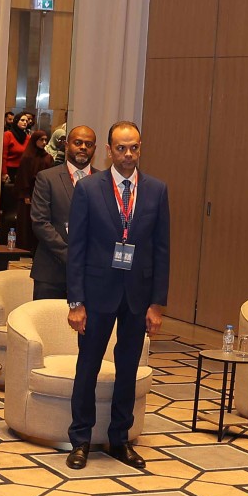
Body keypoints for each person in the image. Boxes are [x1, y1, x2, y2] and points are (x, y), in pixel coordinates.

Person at [64, 121, 170, 471]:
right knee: (88, 366)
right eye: (121, 148)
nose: (128, 154)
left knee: (128, 368)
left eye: (134, 147)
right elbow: (76, 249)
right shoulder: (88, 189)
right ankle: (80, 439)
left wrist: (157, 303)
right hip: (96, 293)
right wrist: (76, 302)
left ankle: (120, 439)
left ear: (140, 148)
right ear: (109, 150)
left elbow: (162, 250)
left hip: (137, 295)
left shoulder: (156, 190)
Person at [30, 125, 96, 300]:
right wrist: (71, 255)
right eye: (78, 143)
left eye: (89, 144)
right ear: (67, 146)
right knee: (46, 318)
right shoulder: (46, 178)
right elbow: (40, 222)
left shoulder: (104, 181)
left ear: (94, 149)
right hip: (51, 271)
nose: (83, 147)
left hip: (91, 272)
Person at [10, 128, 54, 251]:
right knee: (26, 222)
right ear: (35, 141)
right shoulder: (27, 157)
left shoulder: (48, 158)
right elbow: (23, 177)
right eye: (41, 140)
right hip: (28, 194)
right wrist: (25, 195)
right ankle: (25, 248)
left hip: (43, 194)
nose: (44, 142)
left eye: (45, 140)